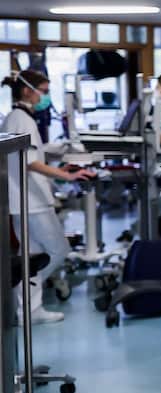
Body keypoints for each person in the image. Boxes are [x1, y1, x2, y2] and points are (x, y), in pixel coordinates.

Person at [1, 70, 95, 324]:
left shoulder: (18, 117)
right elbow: (30, 162)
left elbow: (32, 156)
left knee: (31, 255)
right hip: (31, 201)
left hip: (25, 199)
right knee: (57, 250)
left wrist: (58, 170)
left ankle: (29, 309)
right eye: (42, 90)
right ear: (27, 90)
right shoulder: (21, 119)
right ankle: (23, 300)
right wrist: (67, 177)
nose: (44, 96)